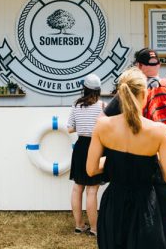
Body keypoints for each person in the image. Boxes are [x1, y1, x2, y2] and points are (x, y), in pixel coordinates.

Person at [103, 48, 166, 249]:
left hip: (139, 165)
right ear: (159, 65)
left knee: (143, 218)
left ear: (138, 66)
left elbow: (105, 120)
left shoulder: (130, 90)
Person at [87, 67, 166, 248]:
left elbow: (91, 169)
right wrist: (154, 160)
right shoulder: (159, 131)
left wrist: (116, 160)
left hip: (113, 206)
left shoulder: (102, 125)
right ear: (144, 94)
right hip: (144, 207)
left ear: (120, 95)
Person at [67, 74, 104, 236]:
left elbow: (69, 128)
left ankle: (79, 225)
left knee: (77, 188)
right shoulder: (103, 106)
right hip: (95, 146)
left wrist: (82, 126)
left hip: (80, 146)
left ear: (85, 89)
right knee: (92, 190)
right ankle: (94, 229)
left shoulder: (76, 105)